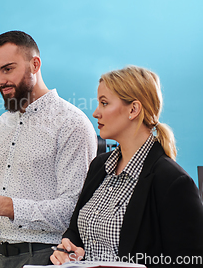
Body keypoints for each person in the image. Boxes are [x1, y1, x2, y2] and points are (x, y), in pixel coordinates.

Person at [0, 31, 97, 268]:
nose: (0, 80)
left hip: (43, 257)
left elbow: (74, 210)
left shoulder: (71, 123)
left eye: (8, 69)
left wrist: (5, 206)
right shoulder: (2, 124)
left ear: (35, 64)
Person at [51, 65, 203, 267]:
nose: (96, 113)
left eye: (104, 103)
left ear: (133, 109)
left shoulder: (173, 181)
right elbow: (75, 233)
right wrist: (68, 250)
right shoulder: (99, 166)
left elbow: (190, 260)